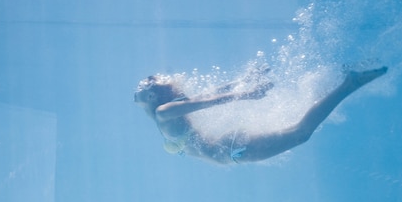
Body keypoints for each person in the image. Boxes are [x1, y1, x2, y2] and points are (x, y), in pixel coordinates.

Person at [134, 66, 387, 164]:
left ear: (153, 96)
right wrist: (242, 82)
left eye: (142, 88)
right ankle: (337, 86)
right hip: (230, 146)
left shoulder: (163, 112)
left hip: (230, 149)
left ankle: (348, 84)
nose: (138, 90)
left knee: (300, 134)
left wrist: (247, 94)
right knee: (298, 133)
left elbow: (207, 102)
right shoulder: (165, 112)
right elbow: (207, 96)